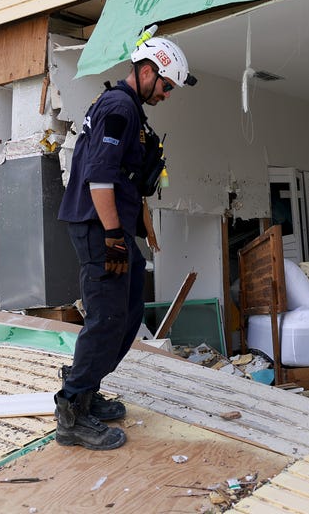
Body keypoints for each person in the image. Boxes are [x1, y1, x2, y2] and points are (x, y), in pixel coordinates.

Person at [55, 35, 195, 450]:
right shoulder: (119, 108)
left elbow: (127, 180)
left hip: (111, 227)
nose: (167, 95)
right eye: (166, 85)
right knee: (108, 315)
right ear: (147, 71)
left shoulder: (131, 110)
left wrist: (139, 229)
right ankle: (72, 411)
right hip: (99, 226)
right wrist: (115, 236)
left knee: (130, 308)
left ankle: (88, 390)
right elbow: (99, 179)